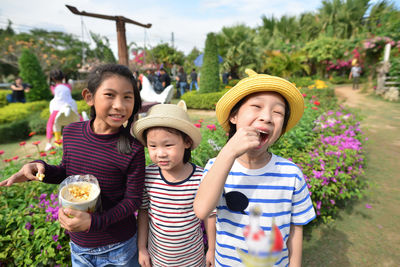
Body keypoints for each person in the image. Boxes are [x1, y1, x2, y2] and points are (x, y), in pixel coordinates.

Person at [0, 64, 145, 267]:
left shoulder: (133, 149)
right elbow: (67, 172)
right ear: (89, 97)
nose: (120, 105)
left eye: (127, 97)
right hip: (79, 246)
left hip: (119, 248)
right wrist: (39, 168)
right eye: (110, 95)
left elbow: (132, 201)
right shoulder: (71, 132)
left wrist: (95, 222)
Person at [194, 69, 316, 267]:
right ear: (234, 116)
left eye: (278, 112)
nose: (267, 117)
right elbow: (202, 210)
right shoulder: (216, 166)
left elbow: (296, 229)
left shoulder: (290, 174)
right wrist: (228, 152)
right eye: (256, 106)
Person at [132, 103, 216, 267]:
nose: (160, 153)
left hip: (193, 259)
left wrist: (212, 249)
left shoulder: (200, 177)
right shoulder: (149, 176)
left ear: (187, 142)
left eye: (168, 145)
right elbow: (143, 212)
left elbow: (209, 215)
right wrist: (142, 247)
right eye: (153, 146)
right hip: (158, 259)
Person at [45, 69, 80, 151]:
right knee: (79, 119)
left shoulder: (53, 87)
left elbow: (54, 93)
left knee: (50, 123)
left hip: (58, 108)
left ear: (52, 79)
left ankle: (49, 143)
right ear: (63, 77)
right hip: (70, 107)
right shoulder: (68, 86)